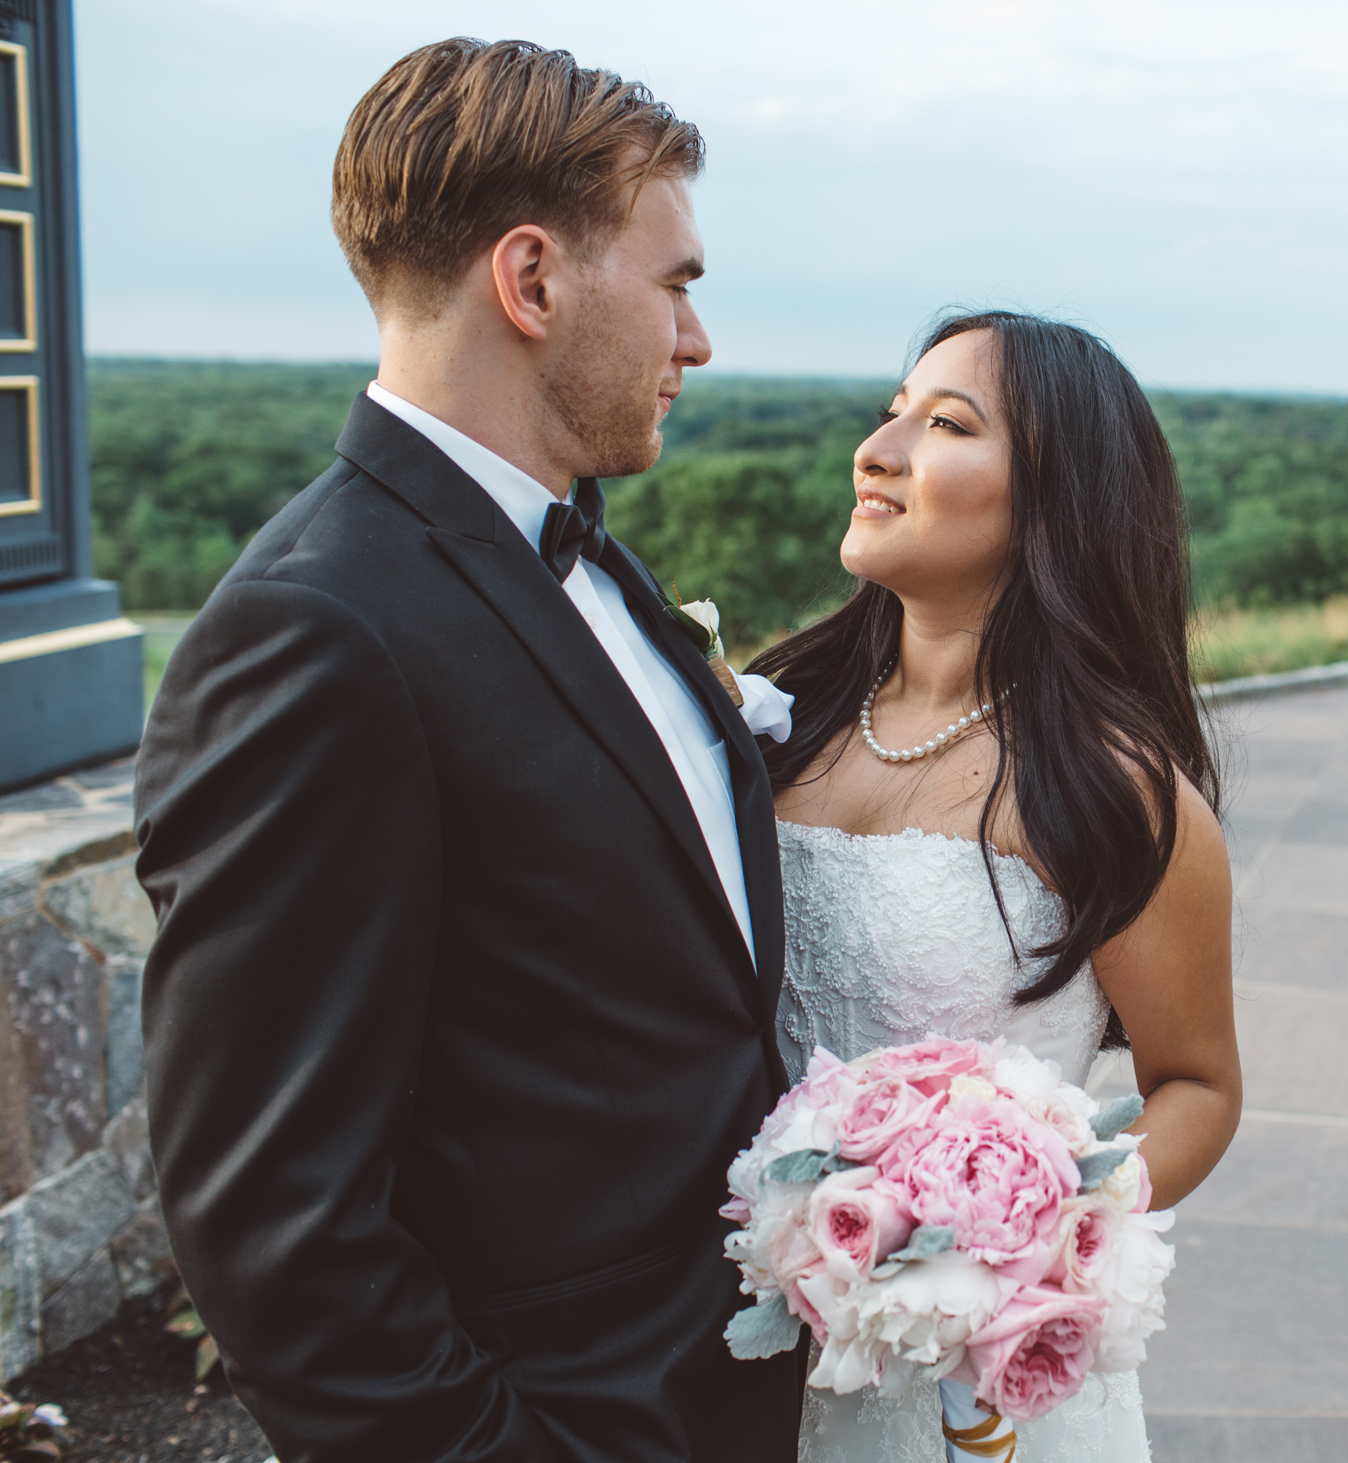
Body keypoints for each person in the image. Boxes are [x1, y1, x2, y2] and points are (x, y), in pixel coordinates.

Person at [132, 39, 802, 1462]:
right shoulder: (314, 633)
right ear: (532, 280)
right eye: (677, 282)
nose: (697, 341)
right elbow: (273, 1217)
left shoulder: (590, 557)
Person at [755, 311, 1243, 1461]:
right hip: (733, 1346)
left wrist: (1020, 1238)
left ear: (1053, 502)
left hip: (968, 1387)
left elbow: (1198, 1086)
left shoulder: (1110, 788)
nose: (878, 449)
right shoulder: (775, 716)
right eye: (892, 410)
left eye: (945, 423)